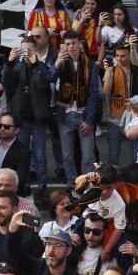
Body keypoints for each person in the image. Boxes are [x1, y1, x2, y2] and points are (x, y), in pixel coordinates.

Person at [53, 31, 102, 185]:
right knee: (67, 156)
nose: (71, 47)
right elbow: (48, 79)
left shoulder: (90, 65)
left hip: (83, 115)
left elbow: (94, 95)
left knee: (88, 157)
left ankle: (88, 185)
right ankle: (71, 185)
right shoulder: (61, 63)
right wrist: (56, 65)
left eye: (74, 43)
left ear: (80, 44)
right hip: (65, 115)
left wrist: (89, 121)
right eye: (67, 44)